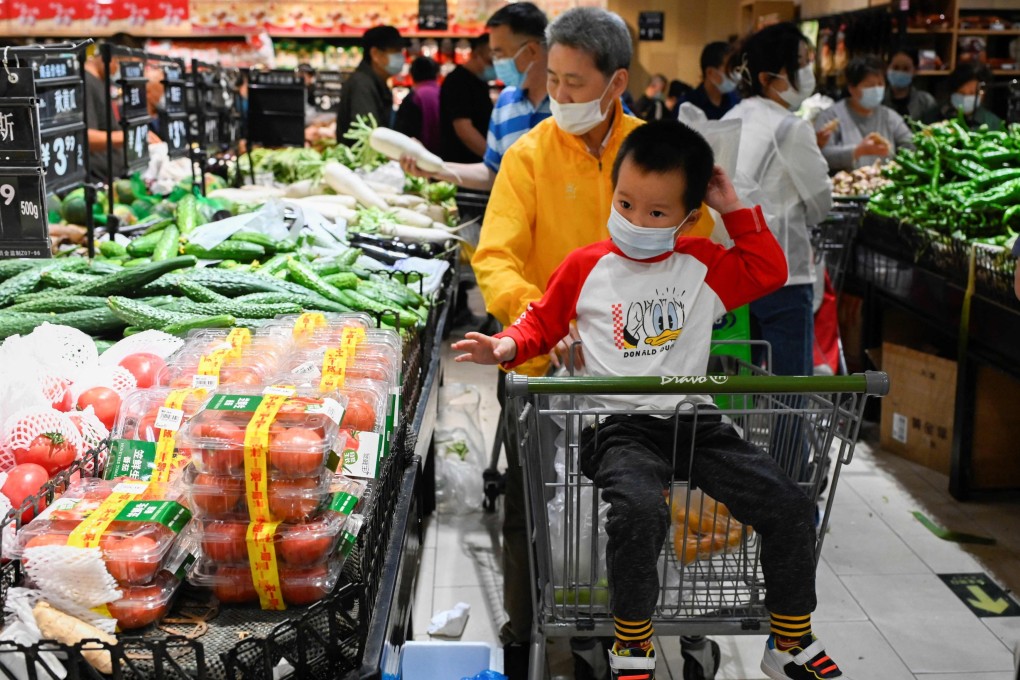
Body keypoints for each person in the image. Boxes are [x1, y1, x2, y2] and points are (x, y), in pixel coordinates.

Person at [457, 120, 848, 680]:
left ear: (689, 217)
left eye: (658, 213)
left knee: (787, 504)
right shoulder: (586, 265)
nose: (637, 220)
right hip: (616, 426)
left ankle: (787, 639)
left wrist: (732, 205)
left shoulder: (703, 264)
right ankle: (633, 642)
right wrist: (504, 344)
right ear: (614, 193)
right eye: (626, 203)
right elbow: (542, 322)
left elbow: (769, 269)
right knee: (641, 510)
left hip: (695, 421)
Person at [471, 9, 715, 677]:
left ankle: (634, 618)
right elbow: (495, 257)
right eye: (552, 78)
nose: (560, 96)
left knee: (642, 501)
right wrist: (543, 322)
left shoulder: (657, 152)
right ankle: (528, 626)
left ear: (617, 82)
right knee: (537, 503)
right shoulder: (528, 156)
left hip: (645, 372)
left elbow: (703, 246)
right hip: (551, 368)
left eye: (575, 83)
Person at [723, 22, 832, 379]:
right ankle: (790, 439)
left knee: (741, 386)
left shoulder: (731, 117)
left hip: (734, 272)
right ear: (773, 75)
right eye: (801, 62)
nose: (807, 71)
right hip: (783, 274)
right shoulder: (791, 127)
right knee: (788, 390)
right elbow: (821, 202)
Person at [400, 3, 550, 192]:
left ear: (532, 51)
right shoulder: (506, 102)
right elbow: (493, 173)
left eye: (499, 53)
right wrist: (433, 168)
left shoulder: (567, 102)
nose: (497, 62)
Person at [813, 55, 915, 173]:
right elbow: (821, 155)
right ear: (852, 88)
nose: (876, 89)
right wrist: (857, 151)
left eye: (880, 84)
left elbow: (911, 146)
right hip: (846, 186)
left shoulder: (890, 117)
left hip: (885, 184)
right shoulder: (831, 116)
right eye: (870, 86)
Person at [84, 34, 160, 183]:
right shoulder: (86, 82)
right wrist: (129, 136)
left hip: (113, 178)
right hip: (95, 181)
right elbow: (83, 136)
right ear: (113, 58)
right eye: (126, 67)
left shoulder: (101, 82)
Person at [336, 25, 404, 141]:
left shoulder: (372, 82)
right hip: (364, 159)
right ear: (375, 54)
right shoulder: (362, 85)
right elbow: (367, 135)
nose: (400, 57)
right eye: (395, 51)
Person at [439, 34, 495, 163]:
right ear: (475, 54)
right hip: (463, 162)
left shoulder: (480, 81)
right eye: (490, 61)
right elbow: (464, 129)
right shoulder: (458, 81)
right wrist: (493, 158)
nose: (495, 66)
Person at [924, 61, 1004, 131]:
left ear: (983, 93)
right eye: (961, 93)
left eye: (972, 93)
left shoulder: (993, 123)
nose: (966, 97)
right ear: (952, 92)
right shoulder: (933, 117)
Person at [394, 57, 442, 155]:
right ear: (438, 74)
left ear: (411, 75)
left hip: (419, 158)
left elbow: (402, 135)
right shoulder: (445, 94)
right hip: (446, 157)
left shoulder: (414, 97)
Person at [681, 41, 741, 120]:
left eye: (736, 68)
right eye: (729, 69)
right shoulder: (687, 105)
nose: (735, 74)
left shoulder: (736, 101)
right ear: (710, 73)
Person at [883, 49, 937, 121]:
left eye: (906, 69)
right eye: (896, 68)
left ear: (915, 71)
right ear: (887, 69)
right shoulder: (878, 101)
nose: (900, 72)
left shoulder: (926, 102)